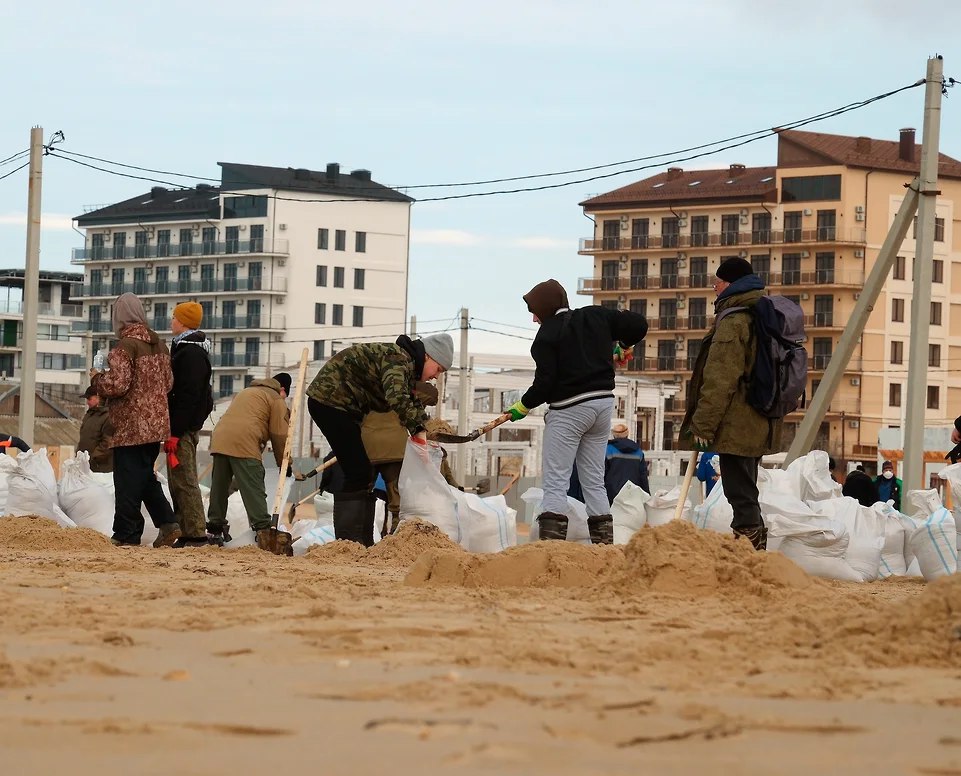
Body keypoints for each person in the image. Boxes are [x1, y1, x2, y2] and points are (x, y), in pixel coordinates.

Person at [507, 279, 648, 545]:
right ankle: (604, 546)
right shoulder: (595, 315)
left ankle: (551, 547)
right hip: (602, 406)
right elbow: (639, 325)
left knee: (556, 478)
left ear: (547, 308)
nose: (535, 319)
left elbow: (545, 385)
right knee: (593, 479)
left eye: (535, 312)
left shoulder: (546, 336)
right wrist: (624, 345)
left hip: (569, 411)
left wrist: (523, 405)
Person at [305, 333, 453, 546]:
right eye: (438, 369)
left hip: (341, 407)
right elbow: (397, 398)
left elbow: (407, 399)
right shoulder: (397, 359)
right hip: (331, 402)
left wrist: (424, 428)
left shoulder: (404, 365)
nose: (435, 376)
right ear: (428, 357)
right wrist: (418, 430)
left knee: (362, 473)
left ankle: (361, 542)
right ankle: (349, 543)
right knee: (357, 471)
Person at [679, 257, 780, 551]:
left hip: (738, 423)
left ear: (731, 284)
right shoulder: (760, 312)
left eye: (718, 282)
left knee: (740, 492)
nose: (714, 287)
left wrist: (703, 426)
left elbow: (720, 378)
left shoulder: (734, 321)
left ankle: (747, 553)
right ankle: (752, 550)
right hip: (759, 418)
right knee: (745, 489)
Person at [89, 292, 181, 548]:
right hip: (156, 426)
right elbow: (169, 382)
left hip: (130, 427)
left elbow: (118, 384)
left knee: (127, 481)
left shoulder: (124, 347)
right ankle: (167, 523)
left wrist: (97, 379)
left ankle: (126, 534)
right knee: (143, 476)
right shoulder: (159, 344)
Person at [206, 373, 292, 554]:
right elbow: (280, 434)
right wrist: (284, 462)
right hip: (244, 440)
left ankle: (214, 530)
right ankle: (264, 532)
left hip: (220, 437)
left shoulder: (247, 392)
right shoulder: (276, 398)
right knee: (253, 485)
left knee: (220, 487)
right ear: (282, 389)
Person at [360, 381, 441, 536]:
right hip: (395, 450)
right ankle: (398, 537)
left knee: (363, 494)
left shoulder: (370, 388)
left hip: (368, 447)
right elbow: (427, 396)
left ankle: (361, 538)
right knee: (397, 498)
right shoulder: (405, 387)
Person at [165, 302, 214, 547]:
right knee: (177, 480)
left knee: (185, 480)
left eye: (174, 317)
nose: (171, 321)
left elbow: (188, 396)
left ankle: (195, 533)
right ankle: (186, 531)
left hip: (181, 430)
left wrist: (176, 431)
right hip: (181, 427)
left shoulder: (190, 354)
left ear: (183, 322)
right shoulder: (186, 349)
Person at [604, 422, 650, 501]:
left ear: (614, 435)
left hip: (612, 496)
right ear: (627, 434)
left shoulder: (608, 450)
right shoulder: (638, 451)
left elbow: (601, 474)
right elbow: (643, 476)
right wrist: (647, 495)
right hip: (632, 495)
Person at [77, 385, 114, 472]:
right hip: (86, 465)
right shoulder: (89, 415)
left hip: (101, 468)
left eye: (89, 399)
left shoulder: (108, 416)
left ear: (98, 398)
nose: (87, 402)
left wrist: (92, 457)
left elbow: (107, 442)